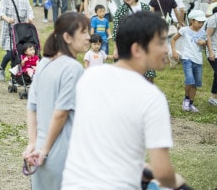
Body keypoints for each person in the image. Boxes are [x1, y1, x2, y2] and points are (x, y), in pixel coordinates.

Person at [61, 11, 188, 189]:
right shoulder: (151, 97)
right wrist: (178, 182)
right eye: (160, 42)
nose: (166, 49)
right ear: (137, 49)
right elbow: (162, 171)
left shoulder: (89, 78)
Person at [23, 12, 90, 190]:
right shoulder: (73, 68)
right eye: (83, 32)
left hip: (40, 150)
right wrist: (44, 150)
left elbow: (32, 107)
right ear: (67, 37)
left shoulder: (44, 63)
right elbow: (61, 113)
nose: (88, 37)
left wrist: (33, 144)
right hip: (62, 152)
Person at [113, 0, 156, 80]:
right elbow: (116, 31)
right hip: (128, 46)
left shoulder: (146, 7)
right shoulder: (121, 10)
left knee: (148, 76)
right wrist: (116, 49)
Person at [0, 0, 34, 81]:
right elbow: (0, 12)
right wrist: (7, 18)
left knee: (19, 53)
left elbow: (30, 12)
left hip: (21, 32)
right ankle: (1, 67)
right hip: (9, 31)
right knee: (11, 53)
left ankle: (15, 77)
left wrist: (30, 18)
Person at [171, 9, 208, 113]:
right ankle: (186, 99)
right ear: (192, 20)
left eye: (202, 22)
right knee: (190, 81)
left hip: (198, 60)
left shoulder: (203, 32)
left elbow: (204, 47)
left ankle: (191, 103)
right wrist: (174, 51)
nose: (201, 24)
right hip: (187, 58)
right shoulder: (185, 30)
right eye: (199, 22)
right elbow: (173, 39)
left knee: (195, 84)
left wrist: (204, 43)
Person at [205, 5, 217, 106]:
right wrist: (211, 51)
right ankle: (213, 98)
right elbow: (208, 35)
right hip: (214, 51)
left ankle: (213, 98)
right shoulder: (214, 18)